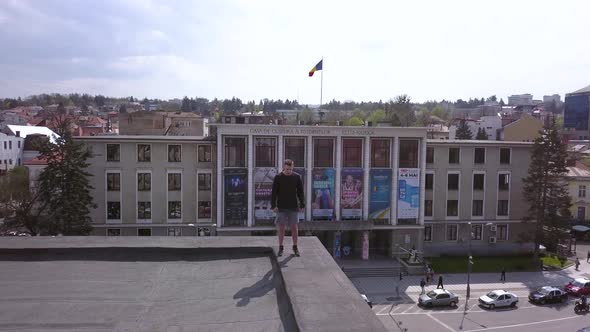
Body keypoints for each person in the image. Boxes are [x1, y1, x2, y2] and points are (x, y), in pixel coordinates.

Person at [271, 159, 305, 257]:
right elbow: (274, 193)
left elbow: (300, 192)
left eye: (290, 169)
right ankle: (281, 247)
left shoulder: (297, 177)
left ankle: (295, 247)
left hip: (293, 206)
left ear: (292, 168)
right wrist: (273, 205)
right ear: (283, 168)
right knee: (281, 227)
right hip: (281, 207)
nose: (289, 171)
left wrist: (302, 204)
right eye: (287, 169)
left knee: (294, 227)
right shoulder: (278, 177)